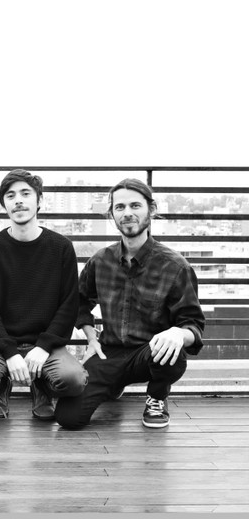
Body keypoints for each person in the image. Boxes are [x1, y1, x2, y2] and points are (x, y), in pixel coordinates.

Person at [55, 178, 206, 430]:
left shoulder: (175, 266)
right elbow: (78, 302)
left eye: (135, 205)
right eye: (120, 207)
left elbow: (193, 325)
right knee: (68, 418)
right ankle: (114, 384)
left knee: (172, 351)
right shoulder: (101, 260)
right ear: (112, 214)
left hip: (151, 353)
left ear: (151, 209)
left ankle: (157, 397)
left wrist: (178, 334)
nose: (127, 213)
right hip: (109, 352)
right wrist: (91, 338)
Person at [0, 169, 88, 419]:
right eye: (10, 196)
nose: (18, 200)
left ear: (39, 200)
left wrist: (43, 347)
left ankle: (41, 386)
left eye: (25, 193)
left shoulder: (61, 247)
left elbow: (68, 305)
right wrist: (9, 352)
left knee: (74, 380)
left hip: (46, 345)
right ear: (4, 204)